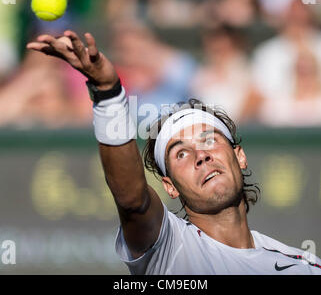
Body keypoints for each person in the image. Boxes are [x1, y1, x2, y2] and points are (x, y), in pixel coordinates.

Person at [26, 30, 321, 274]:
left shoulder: (305, 266)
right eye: (181, 154)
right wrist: (108, 92)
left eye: (209, 140)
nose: (201, 156)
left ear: (239, 156)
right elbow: (132, 201)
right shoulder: (169, 248)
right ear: (169, 186)